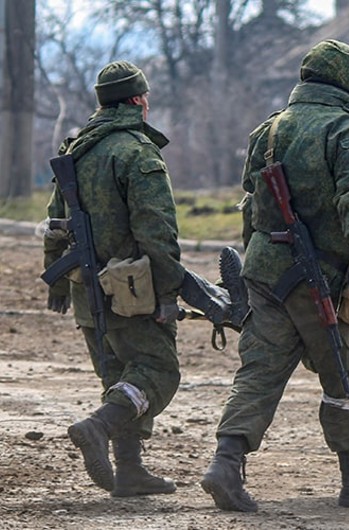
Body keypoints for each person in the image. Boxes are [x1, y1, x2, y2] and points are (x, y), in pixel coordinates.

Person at [200, 39, 349, 511]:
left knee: (259, 371)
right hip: (320, 274)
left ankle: (226, 464)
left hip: (265, 270)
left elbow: (251, 202)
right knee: (343, 373)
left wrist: (252, 265)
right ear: (347, 84)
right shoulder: (346, 128)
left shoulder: (267, 130)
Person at [43, 60, 184, 497]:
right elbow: (156, 229)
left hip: (84, 286)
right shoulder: (136, 152)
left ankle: (129, 470)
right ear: (140, 100)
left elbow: (55, 220)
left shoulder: (75, 148)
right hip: (132, 289)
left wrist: (56, 281)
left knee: (119, 375)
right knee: (158, 371)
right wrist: (168, 292)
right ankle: (98, 426)